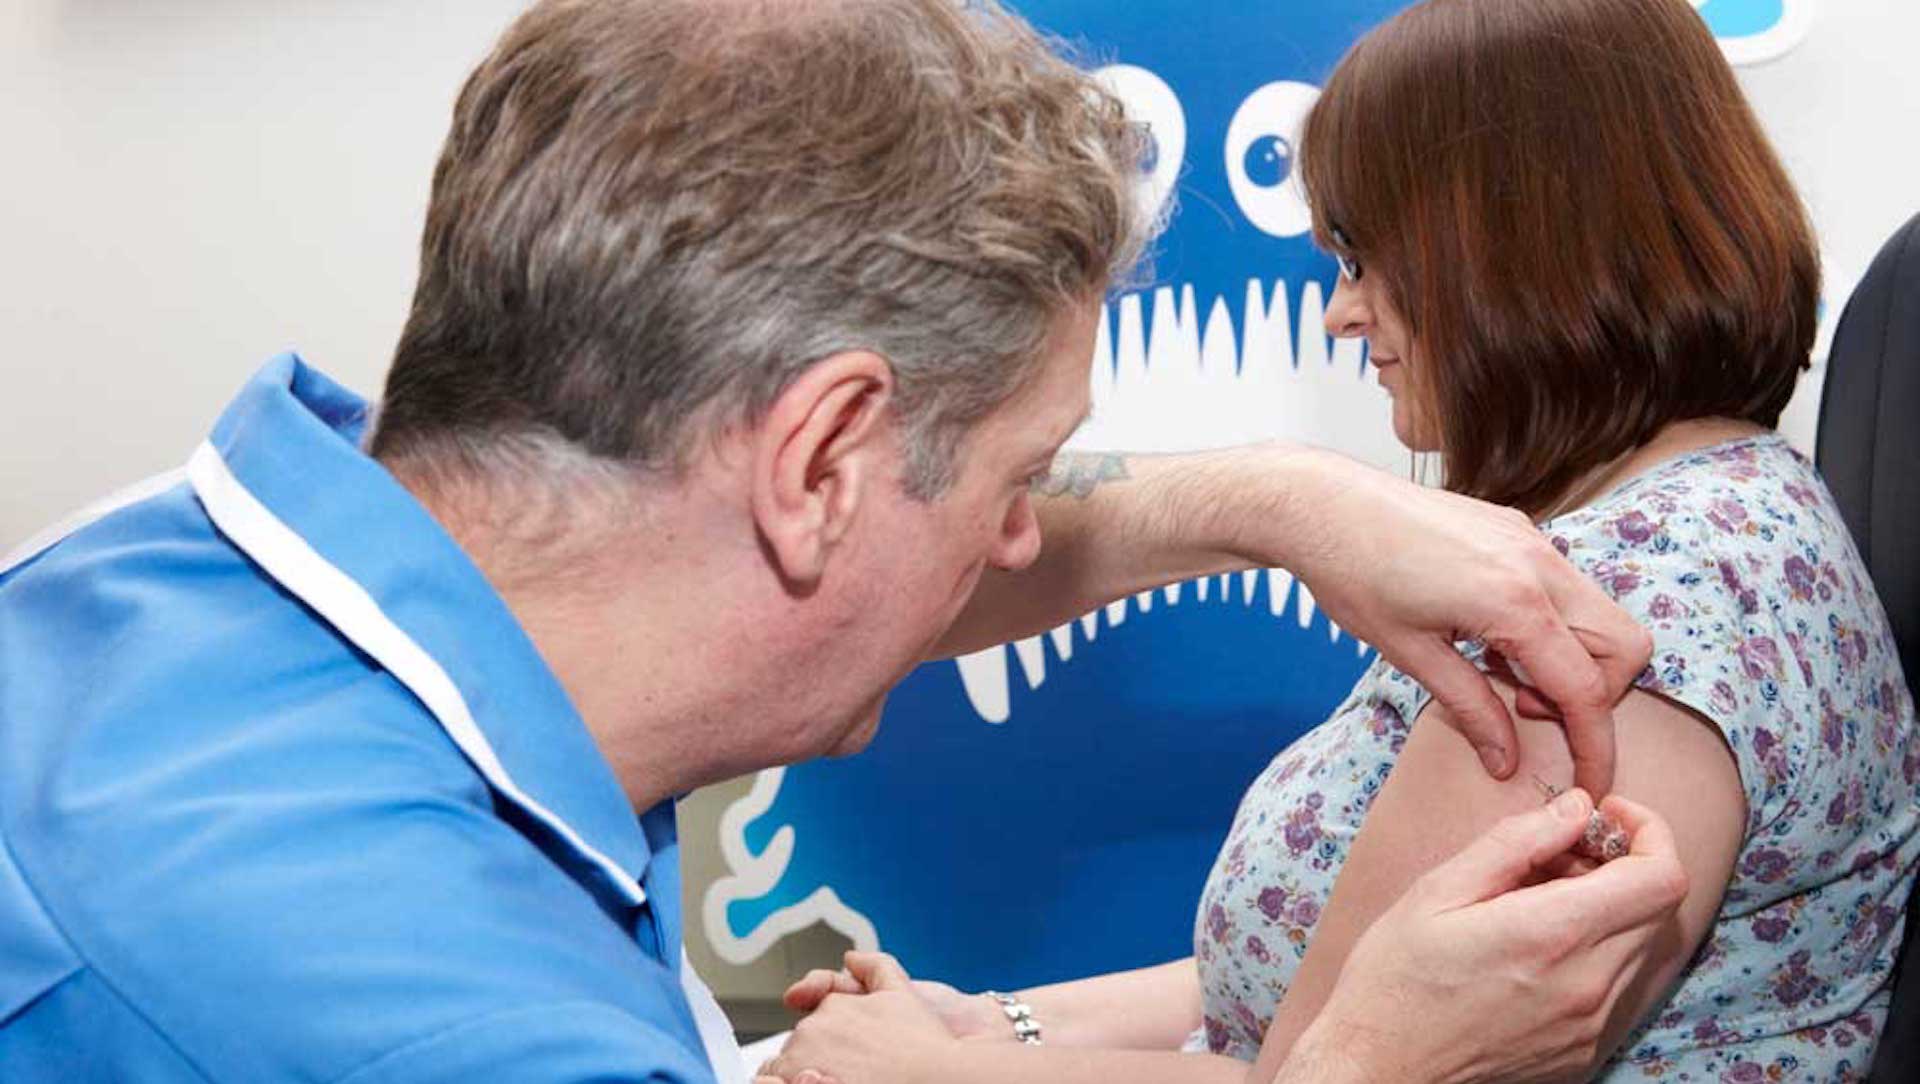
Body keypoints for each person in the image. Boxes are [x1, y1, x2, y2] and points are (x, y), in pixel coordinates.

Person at [0, 1, 1681, 1082]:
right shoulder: (458, 1024)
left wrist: (1281, 506)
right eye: (1020, 470)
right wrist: (1377, 1069)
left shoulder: (153, 567)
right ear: (817, 460)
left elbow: (874, 556)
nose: (1027, 530)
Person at [761, 0, 1920, 1082]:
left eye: (1362, 261)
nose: (1340, 311)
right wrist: (994, 1027)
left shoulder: (1637, 607)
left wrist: (935, 1071)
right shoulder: (1637, 536)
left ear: (1518, 240)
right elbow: (1295, 999)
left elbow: (1350, 1059)